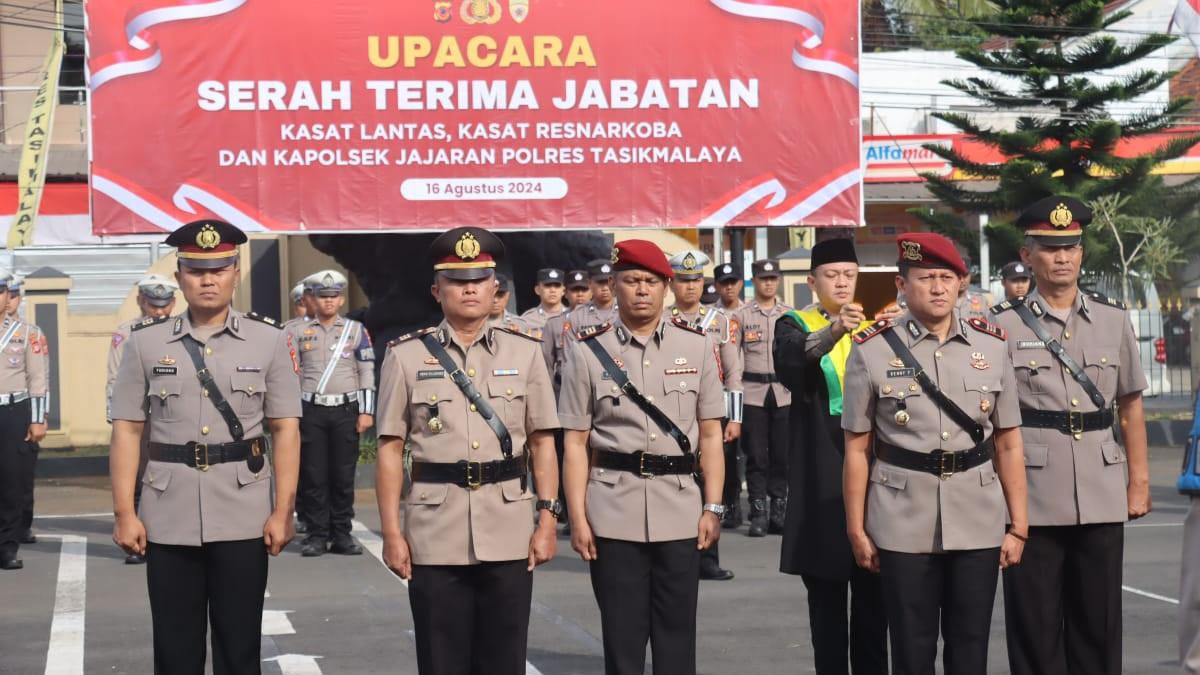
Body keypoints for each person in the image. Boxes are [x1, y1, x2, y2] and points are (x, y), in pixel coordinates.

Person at [109, 219, 301, 673]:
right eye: (196, 270)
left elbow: (285, 429)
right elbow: (127, 430)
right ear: (179, 278)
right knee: (175, 649)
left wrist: (282, 511)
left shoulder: (270, 340)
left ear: (236, 273)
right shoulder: (144, 344)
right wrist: (123, 511)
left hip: (244, 510)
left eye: (218, 269)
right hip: (167, 511)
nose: (208, 280)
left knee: (240, 647)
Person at [376, 227, 561, 675]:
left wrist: (548, 520)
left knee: (504, 660)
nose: (470, 289)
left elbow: (542, 442)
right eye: (458, 281)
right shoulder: (405, 356)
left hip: (509, 526)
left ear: (495, 286)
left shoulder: (527, 351)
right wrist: (391, 533)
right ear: (437, 291)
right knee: (442, 661)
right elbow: (389, 448)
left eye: (479, 279)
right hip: (434, 530)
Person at [841, 232, 1028, 675]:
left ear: (962, 284)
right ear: (901, 287)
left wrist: (1018, 524)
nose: (939, 287)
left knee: (970, 647)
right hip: (902, 517)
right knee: (911, 647)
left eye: (948, 277)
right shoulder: (871, 349)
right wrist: (856, 529)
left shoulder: (993, 345)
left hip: (978, 514)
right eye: (926, 278)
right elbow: (856, 448)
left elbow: (1008, 440)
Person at [990, 196, 1150, 675]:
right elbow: (997, 423)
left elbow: (1130, 404)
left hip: (1101, 489)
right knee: (1035, 628)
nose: (1063, 257)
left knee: (1098, 627)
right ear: (1027, 254)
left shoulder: (1113, 319)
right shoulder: (1001, 325)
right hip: (1033, 494)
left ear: (1082, 251)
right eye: (1050, 247)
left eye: (1071, 246)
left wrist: (1138, 481)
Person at [560, 239, 725, 675]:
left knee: (677, 638)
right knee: (622, 638)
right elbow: (575, 442)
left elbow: (711, 433)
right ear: (613, 285)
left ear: (666, 288)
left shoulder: (697, 347)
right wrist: (577, 518)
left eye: (651, 281)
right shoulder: (585, 352)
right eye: (631, 281)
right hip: (613, 508)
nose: (641, 290)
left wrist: (713, 505)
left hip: (680, 506)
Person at [774, 238, 889, 674]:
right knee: (826, 605)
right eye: (831, 275)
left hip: (878, 472)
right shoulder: (794, 322)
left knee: (875, 604)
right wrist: (835, 329)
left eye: (849, 275)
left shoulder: (881, 322)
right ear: (812, 281)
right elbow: (791, 362)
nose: (842, 283)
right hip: (821, 472)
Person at [286, 270, 375, 557]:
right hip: (310, 410)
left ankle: (342, 534)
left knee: (343, 474)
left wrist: (366, 411)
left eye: (334, 296)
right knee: (313, 475)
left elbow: (366, 370)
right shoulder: (297, 331)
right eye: (322, 297)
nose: (328, 302)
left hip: (346, 409)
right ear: (311, 298)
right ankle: (315, 535)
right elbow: (290, 374)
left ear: (341, 299)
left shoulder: (355, 330)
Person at [666, 249, 741, 582]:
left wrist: (735, 418)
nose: (691, 287)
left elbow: (734, 372)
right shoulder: (663, 319)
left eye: (696, 280)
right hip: (674, 413)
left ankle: (709, 557)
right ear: (672, 284)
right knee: (678, 483)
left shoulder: (719, 321)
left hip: (712, 413)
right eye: (684, 280)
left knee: (714, 484)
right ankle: (678, 556)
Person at [105, 273, 179, 565]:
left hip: (173, 416)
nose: (159, 311)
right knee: (139, 479)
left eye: (164, 305)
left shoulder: (181, 329)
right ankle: (139, 540)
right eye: (152, 304)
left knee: (172, 478)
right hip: (141, 418)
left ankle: (170, 539)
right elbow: (114, 378)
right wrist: (116, 418)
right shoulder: (127, 333)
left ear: (173, 303)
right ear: (140, 301)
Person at [734, 259, 792, 536]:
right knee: (756, 455)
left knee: (782, 455)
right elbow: (733, 358)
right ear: (754, 281)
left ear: (778, 280)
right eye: (763, 278)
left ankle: (778, 511)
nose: (768, 282)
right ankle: (758, 512)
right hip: (753, 393)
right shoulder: (742, 315)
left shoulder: (789, 314)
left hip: (783, 392)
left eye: (773, 278)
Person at [0, 273, 48, 570]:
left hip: (13, 411)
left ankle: (6, 547)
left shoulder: (27, 332)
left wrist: (38, 419)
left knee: (12, 481)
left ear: (6, 297)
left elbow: (38, 378)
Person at [713, 262, 745, 527]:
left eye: (733, 282)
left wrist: (736, 415)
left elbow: (734, 365)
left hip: (743, 390)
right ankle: (718, 503)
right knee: (716, 455)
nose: (729, 287)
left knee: (735, 456)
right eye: (724, 282)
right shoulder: (710, 317)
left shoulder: (748, 313)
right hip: (714, 394)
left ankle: (734, 503)